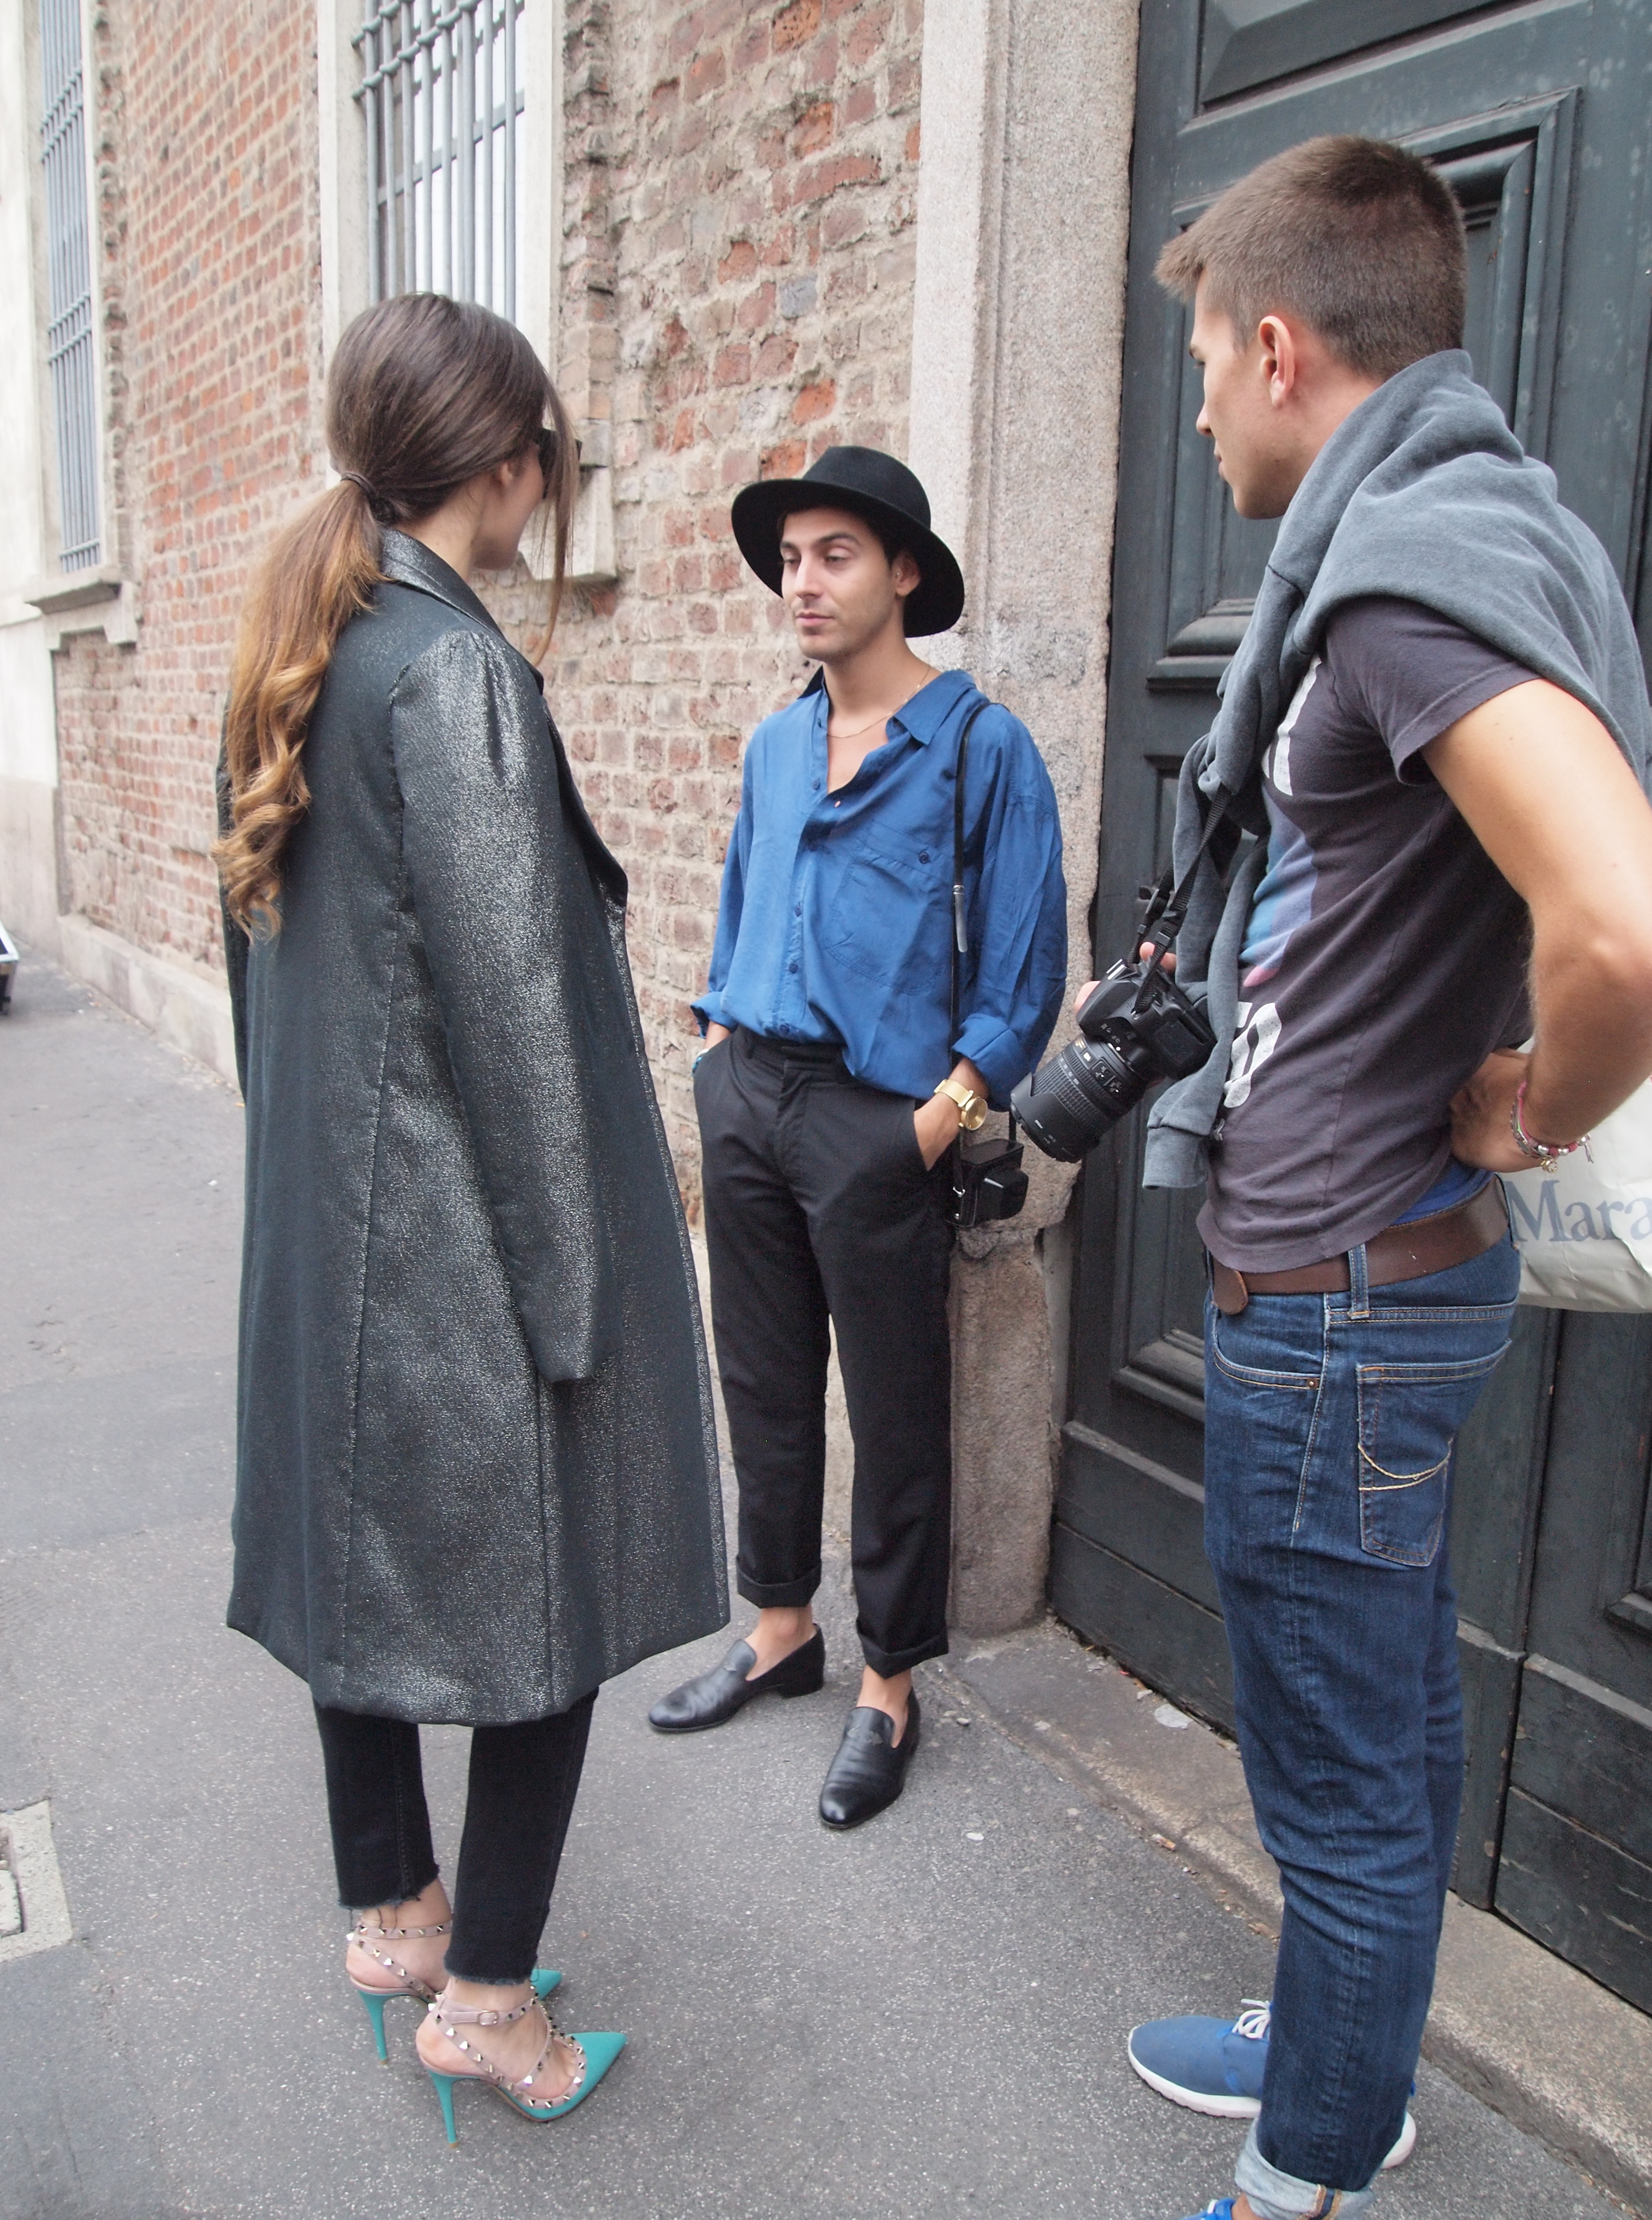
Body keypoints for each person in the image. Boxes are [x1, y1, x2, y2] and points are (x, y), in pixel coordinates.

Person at [1103, 139, 1652, 2220]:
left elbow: (1626, 934)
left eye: (1198, 363)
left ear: (1276, 347)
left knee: (1339, 1772)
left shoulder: (1409, 573)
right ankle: (1345, 2057)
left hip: (1341, 1296)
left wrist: (1528, 1108)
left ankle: (1307, 2168)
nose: (1194, 411)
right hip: (1368, 1280)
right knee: (1385, 1724)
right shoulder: (1445, 538)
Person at [216, 293, 727, 2143]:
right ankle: (489, 2008)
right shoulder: (454, 673)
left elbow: (255, 977)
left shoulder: (298, 645)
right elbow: (520, 1029)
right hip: (474, 1253)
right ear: (509, 464)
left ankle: (397, 1922)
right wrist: (579, 1303)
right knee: (551, 1610)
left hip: (333, 1243)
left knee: (359, 1587)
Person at [647, 447, 1067, 1827]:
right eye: (790, 559)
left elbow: (1024, 976)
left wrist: (938, 1122)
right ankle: (780, 1626)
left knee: (893, 1413)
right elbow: (738, 904)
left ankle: (890, 1681)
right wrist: (718, 1057)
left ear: (903, 573)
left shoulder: (981, 749)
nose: (803, 582)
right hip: (750, 1098)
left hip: (881, 1125)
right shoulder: (777, 746)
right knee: (764, 1383)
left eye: (834, 555)